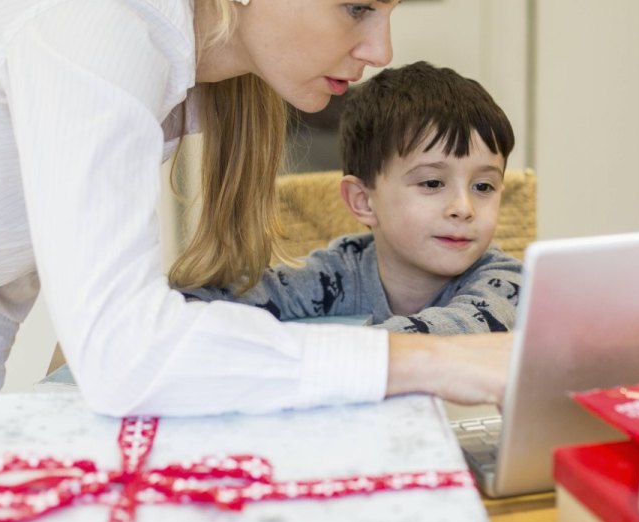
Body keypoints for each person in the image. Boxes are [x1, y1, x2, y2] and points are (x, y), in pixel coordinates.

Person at [0, 0, 510, 514]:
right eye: (358, 8)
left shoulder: (158, 76)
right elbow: (123, 355)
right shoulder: (102, 23)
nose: (381, 49)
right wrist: (436, 361)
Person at [185, 61, 523, 333]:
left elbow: (458, 333)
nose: (463, 209)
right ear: (363, 201)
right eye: (433, 183)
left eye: (483, 187)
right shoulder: (335, 276)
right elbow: (204, 307)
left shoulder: (507, 284)